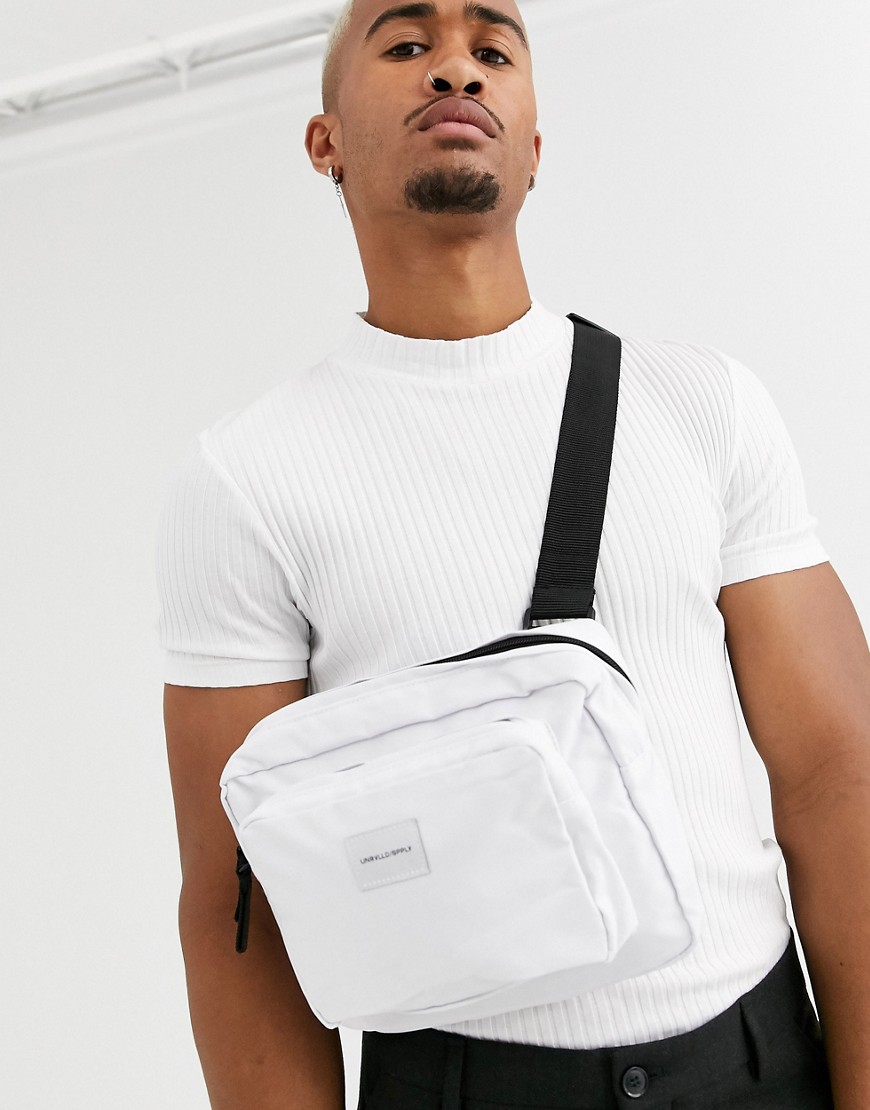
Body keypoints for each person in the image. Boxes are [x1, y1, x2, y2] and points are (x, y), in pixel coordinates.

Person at [155, 1, 870, 1107]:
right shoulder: (246, 479)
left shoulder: (702, 404)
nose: (457, 68)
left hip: (755, 1060)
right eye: (407, 46)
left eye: (492, 51)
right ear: (325, 142)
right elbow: (235, 904)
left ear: (534, 146)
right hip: (460, 1080)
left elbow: (837, 778)